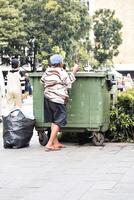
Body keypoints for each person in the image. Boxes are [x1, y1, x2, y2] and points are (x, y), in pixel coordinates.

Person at [40, 54, 79, 151]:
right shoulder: (62, 72)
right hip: (57, 99)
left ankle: (55, 142)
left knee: (54, 120)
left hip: (47, 98)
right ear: (61, 63)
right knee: (59, 119)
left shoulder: (47, 71)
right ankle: (49, 144)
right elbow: (68, 81)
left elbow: (42, 82)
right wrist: (74, 71)